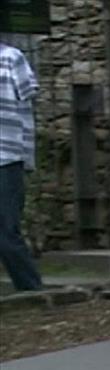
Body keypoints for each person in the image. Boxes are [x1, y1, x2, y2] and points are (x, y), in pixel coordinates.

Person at [0, 43, 43, 291]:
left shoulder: (11, 57)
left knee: (7, 232)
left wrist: (27, 153)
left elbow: (26, 107)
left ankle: (32, 289)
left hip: (6, 155)